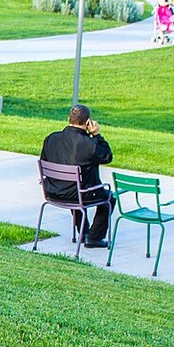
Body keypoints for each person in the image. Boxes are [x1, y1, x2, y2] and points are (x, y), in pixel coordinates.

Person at [40, 104, 114, 249]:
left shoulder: (51, 139)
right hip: (78, 194)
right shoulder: (88, 144)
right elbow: (107, 156)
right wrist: (97, 135)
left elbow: (44, 160)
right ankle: (94, 238)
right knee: (109, 199)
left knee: (75, 189)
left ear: (69, 119)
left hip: (54, 191)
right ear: (88, 123)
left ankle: (83, 233)